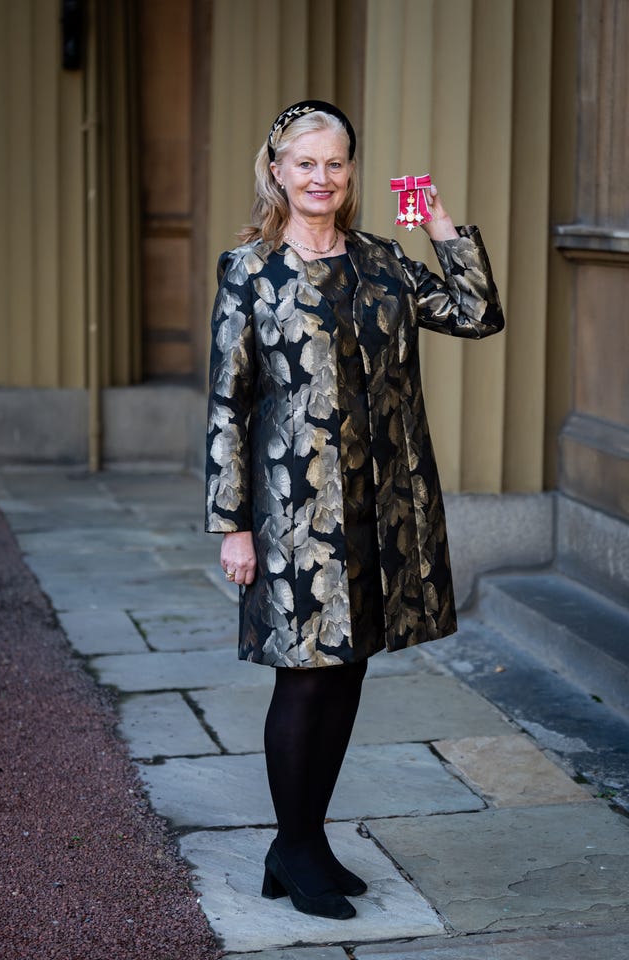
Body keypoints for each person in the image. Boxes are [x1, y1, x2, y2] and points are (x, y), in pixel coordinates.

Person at [205, 100, 504, 920]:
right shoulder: (249, 270)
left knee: (349, 672)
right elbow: (228, 402)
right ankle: (291, 846)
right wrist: (231, 525)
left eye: (335, 163)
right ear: (276, 171)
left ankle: (308, 838)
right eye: (304, 163)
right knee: (305, 677)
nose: (320, 178)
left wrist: (441, 224)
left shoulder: (383, 260)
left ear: (351, 172)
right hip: (296, 512)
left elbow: (478, 315)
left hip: (382, 505)